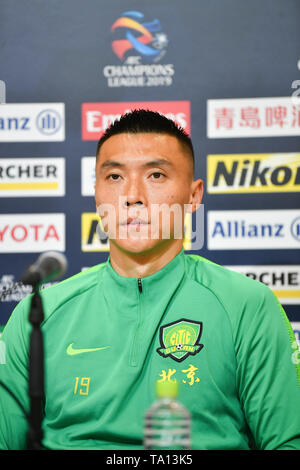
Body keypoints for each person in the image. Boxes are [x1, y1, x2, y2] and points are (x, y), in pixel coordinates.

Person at [0, 109, 299, 450]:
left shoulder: (247, 304)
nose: (132, 196)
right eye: (114, 178)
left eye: (156, 175)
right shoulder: (39, 313)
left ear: (193, 195)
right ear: (97, 194)